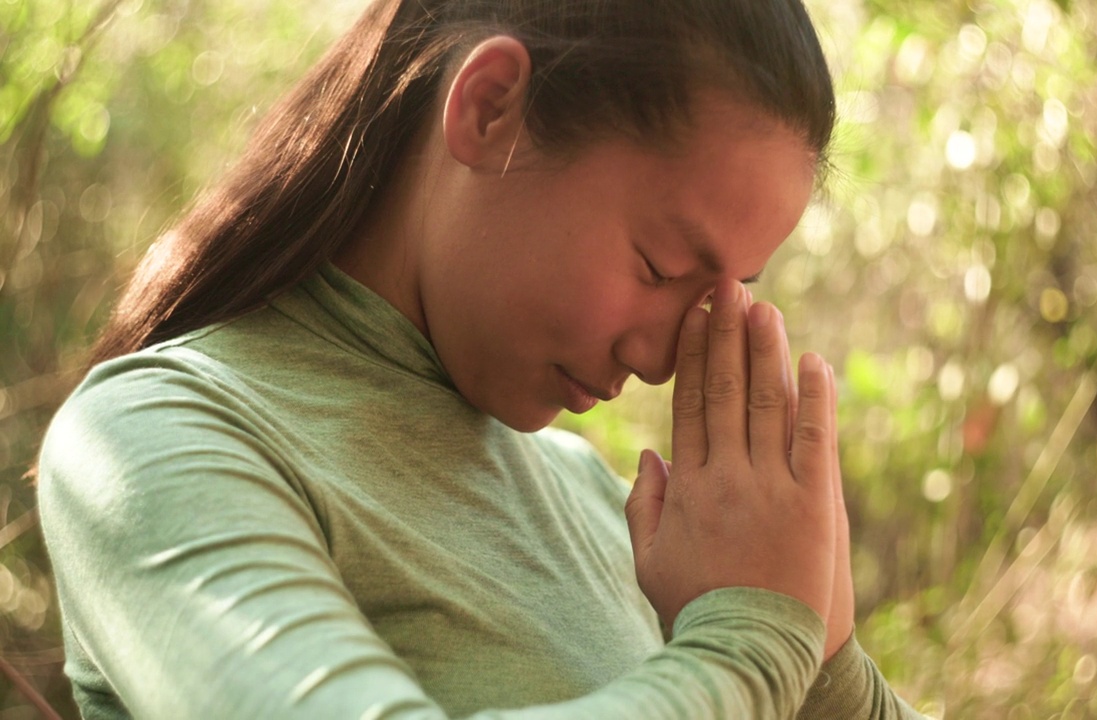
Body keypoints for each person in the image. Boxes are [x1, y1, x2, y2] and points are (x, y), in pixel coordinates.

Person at [37, 0, 927, 717]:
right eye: (658, 267)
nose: (661, 360)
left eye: (711, 299)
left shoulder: (601, 505)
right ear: (490, 107)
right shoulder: (156, 439)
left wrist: (826, 667)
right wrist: (753, 641)